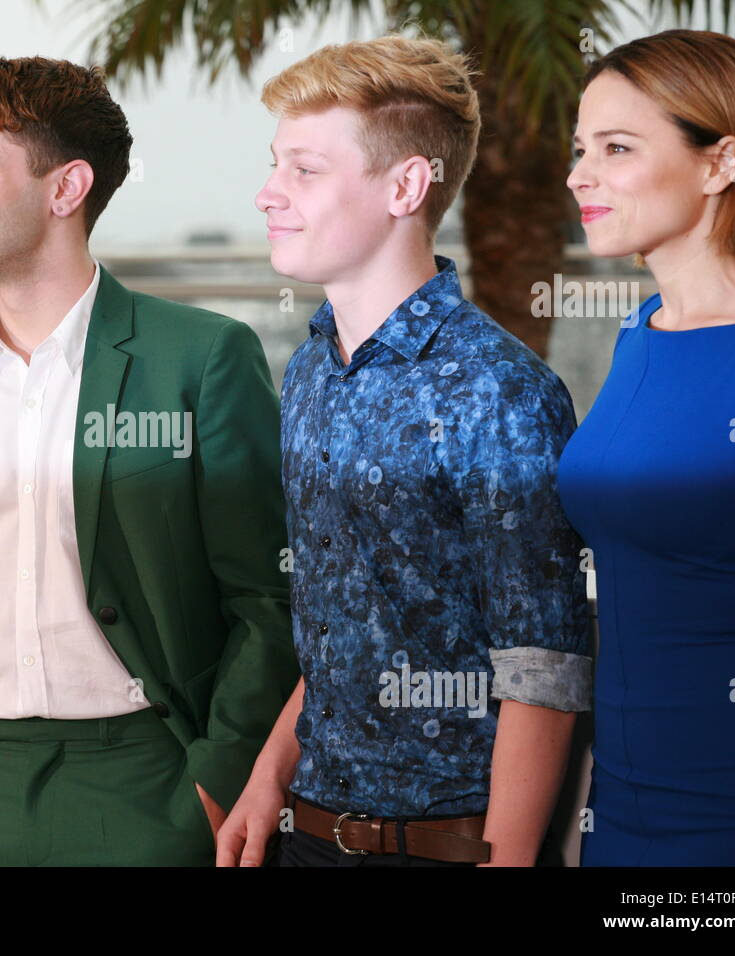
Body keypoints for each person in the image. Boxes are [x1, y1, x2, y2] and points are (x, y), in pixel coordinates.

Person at [0, 54, 297, 866]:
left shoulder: (203, 357)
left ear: (66, 189)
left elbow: (268, 594)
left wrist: (213, 779)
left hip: (150, 782)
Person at [217, 35, 593, 868]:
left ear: (406, 185)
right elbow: (343, 624)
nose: (268, 194)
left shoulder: (501, 390)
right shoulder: (311, 368)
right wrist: (265, 777)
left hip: (451, 847)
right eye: (276, 165)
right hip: (306, 834)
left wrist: (509, 857)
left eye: (304, 170)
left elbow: (544, 669)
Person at [560, 29, 735, 867]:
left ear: (721, 161)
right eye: (581, 148)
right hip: (619, 810)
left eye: (617, 148)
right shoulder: (639, 333)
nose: (580, 174)